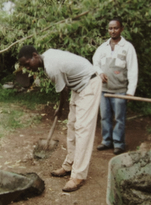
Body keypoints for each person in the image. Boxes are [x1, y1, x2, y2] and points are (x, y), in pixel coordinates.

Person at [18, 46, 102, 192]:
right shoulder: (46, 59)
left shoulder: (51, 67)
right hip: (78, 86)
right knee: (71, 125)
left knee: (83, 129)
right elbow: (65, 88)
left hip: (89, 83)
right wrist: (60, 108)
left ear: (34, 55)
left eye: (27, 63)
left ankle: (78, 175)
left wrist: (60, 108)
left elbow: (63, 91)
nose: (27, 68)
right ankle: (69, 165)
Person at [93, 17, 138, 155]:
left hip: (119, 90)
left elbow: (133, 69)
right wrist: (100, 73)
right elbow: (95, 62)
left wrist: (130, 91)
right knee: (105, 117)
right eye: (110, 28)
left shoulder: (128, 47)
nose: (113, 31)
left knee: (119, 118)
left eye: (116, 28)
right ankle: (107, 141)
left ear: (121, 29)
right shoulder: (103, 47)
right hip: (104, 90)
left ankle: (119, 143)